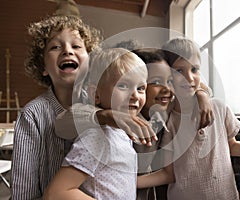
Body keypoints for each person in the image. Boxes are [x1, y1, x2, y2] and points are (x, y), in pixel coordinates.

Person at [137, 38, 240, 200]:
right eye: (179, 71)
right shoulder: (168, 119)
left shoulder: (218, 107)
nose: (189, 78)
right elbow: (170, 174)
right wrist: (129, 182)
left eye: (194, 69)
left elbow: (231, 146)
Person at [11, 15, 102, 199]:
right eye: (55, 47)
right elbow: (23, 192)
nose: (67, 51)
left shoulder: (102, 106)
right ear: (43, 66)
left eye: (76, 46)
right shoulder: (32, 115)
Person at [43, 47, 148, 199]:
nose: (135, 96)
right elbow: (56, 193)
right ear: (95, 95)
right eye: (123, 85)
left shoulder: (120, 134)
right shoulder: (96, 137)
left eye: (141, 88)